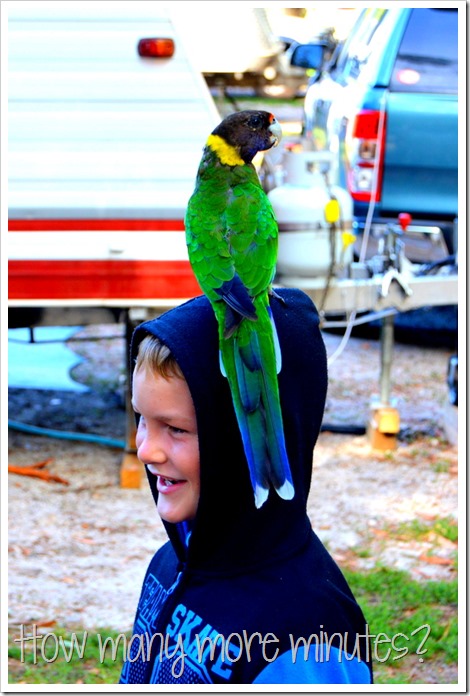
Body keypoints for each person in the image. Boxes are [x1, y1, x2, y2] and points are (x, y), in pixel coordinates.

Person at [119, 288, 373, 685]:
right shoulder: (168, 566)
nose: (146, 451)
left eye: (176, 429)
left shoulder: (307, 630)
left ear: (246, 439)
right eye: (142, 419)